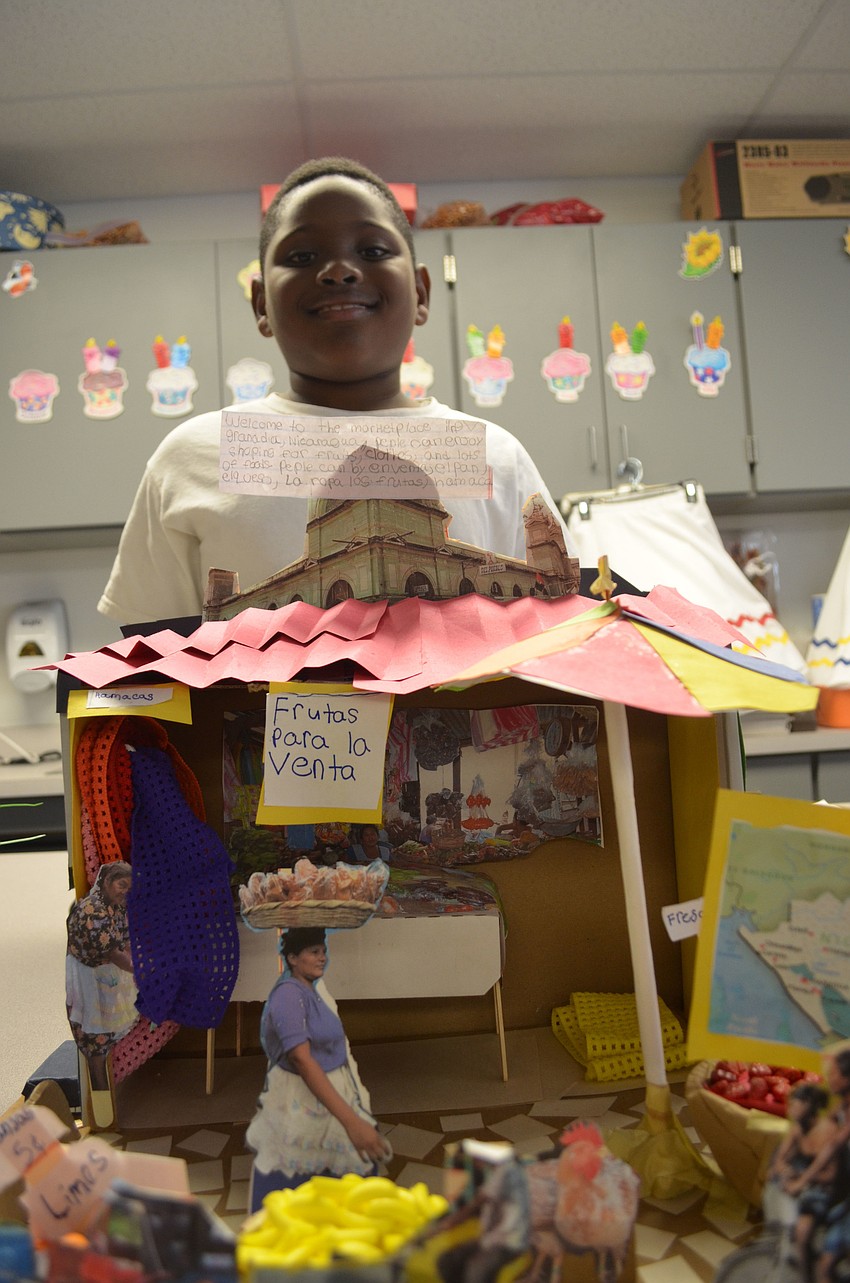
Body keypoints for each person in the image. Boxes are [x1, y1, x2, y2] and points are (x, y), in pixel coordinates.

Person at [98, 156, 575, 625]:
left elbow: (567, 636)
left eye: (372, 251)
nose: (339, 270)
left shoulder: (496, 454)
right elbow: (146, 671)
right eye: (302, 257)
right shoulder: (194, 455)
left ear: (422, 293)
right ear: (261, 304)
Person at [246, 926, 390, 1213]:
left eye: (323, 951)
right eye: (314, 952)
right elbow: (303, 1059)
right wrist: (351, 1122)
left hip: (328, 1096)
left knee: (341, 1189)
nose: (323, 957)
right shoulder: (288, 996)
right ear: (292, 958)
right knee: (294, 1187)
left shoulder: (311, 991)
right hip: (302, 1102)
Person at [65, 861, 137, 1091]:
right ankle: (99, 1091)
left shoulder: (117, 904)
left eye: (129, 886)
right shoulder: (93, 911)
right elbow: (115, 954)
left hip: (104, 973)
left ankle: (106, 1088)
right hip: (87, 975)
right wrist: (144, 971)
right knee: (94, 1034)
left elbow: (125, 941)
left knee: (105, 1032)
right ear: (107, 882)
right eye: (121, 884)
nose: (125, 890)